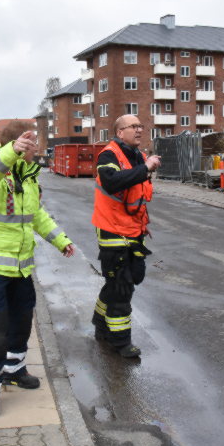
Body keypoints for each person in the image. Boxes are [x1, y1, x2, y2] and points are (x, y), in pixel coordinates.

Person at [0, 121, 75, 417]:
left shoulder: (28, 179)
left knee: (21, 321)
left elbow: (36, 216)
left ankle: (13, 369)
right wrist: (10, 152)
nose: (36, 147)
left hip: (20, 268)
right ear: (16, 144)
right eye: (31, 142)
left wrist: (61, 241)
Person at [91, 115, 160, 358]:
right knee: (122, 288)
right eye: (134, 126)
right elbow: (111, 183)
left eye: (141, 126)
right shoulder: (109, 155)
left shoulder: (137, 156)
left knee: (121, 282)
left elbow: (136, 196)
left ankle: (100, 323)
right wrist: (146, 168)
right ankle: (120, 342)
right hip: (113, 232)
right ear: (120, 132)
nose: (140, 130)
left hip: (132, 230)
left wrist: (144, 223)